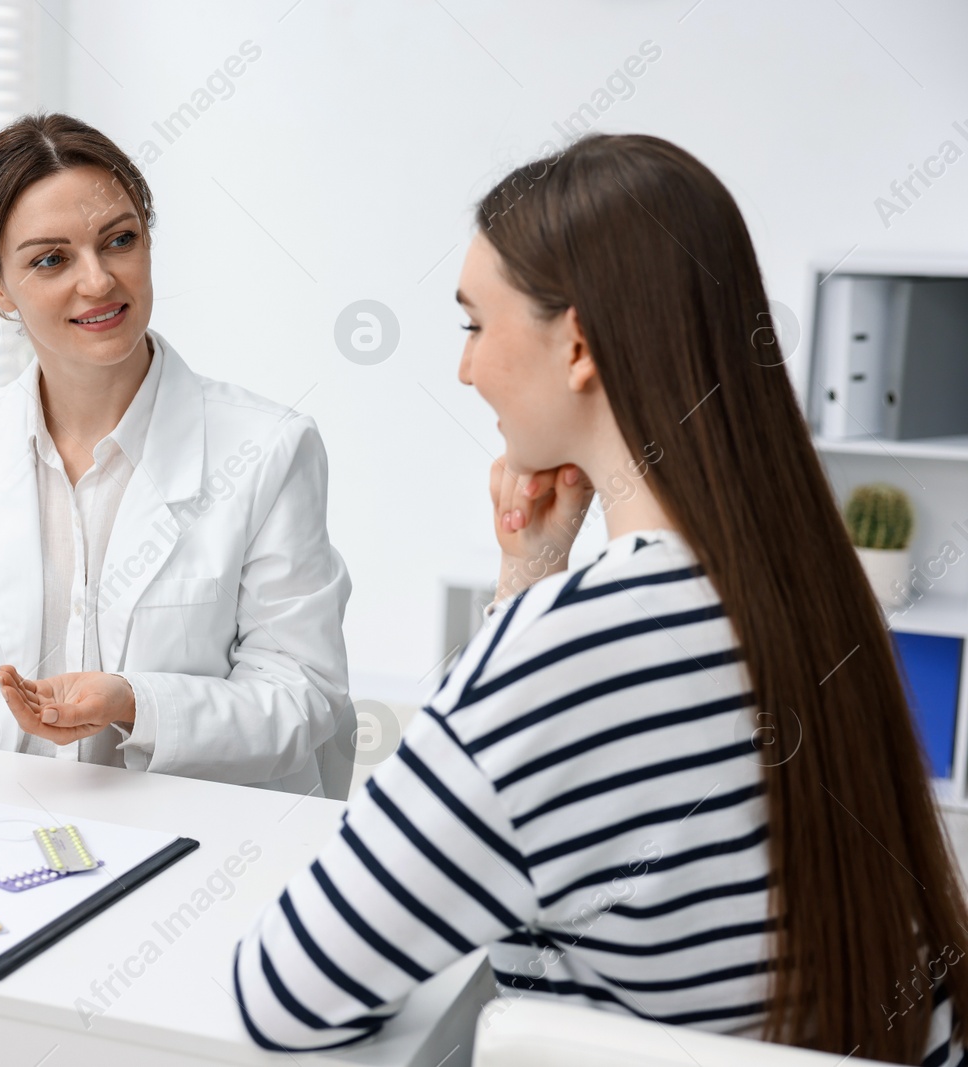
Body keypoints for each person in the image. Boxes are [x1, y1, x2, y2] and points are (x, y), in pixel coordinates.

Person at [233, 133, 968, 1063]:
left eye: (473, 324)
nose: (466, 370)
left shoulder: (564, 652)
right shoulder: (811, 590)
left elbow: (286, 988)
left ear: (576, 342)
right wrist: (535, 569)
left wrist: (529, 609)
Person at [0, 113, 354, 797]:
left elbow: (304, 698)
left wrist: (136, 701)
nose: (99, 280)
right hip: (2, 839)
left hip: (195, 844)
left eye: (120, 240)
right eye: (51, 258)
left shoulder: (266, 448)